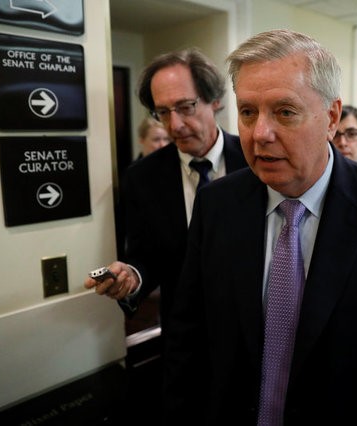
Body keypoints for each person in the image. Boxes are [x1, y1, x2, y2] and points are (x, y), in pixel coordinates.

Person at [163, 29, 357, 425]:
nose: (260, 133)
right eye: (248, 112)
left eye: (284, 111)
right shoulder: (216, 204)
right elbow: (187, 336)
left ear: (331, 117)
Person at [83, 48, 248, 337]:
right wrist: (131, 276)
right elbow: (145, 257)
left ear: (216, 101)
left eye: (186, 107)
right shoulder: (142, 177)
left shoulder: (255, 162)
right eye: (162, 112)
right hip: (184, 335)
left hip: (253, 326)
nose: (175, 125)